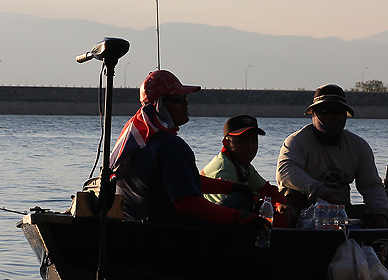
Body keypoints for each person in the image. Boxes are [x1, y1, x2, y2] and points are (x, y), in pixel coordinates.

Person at [109, 69, 269, 234]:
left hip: (135, 226)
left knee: (240, 195)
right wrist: (241, 217)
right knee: (243, 201)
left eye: (185, 98)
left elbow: (182, 179)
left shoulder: (135, 140)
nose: (186, 104)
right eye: (179, 99)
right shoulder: (171, 146)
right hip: (172, 231)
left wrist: (231, 187)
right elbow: (186, 203)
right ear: (160, 106)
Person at [276, 84, 388, 228]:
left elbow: (371, 185)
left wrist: (380, 215)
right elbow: (285, 172)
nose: (329, 116)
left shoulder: (359, 146)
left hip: (342, 212)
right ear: (313, 114)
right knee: (292, 199)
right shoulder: (296, 141)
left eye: (336, 111)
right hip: (304, 211)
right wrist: (319, 192)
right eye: (323, 111)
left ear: (344, 115)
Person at [201, 114, 289, 226]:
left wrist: (280, 204)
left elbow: (268, 190)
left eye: (253, 141)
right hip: (210, 225)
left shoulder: (243, 166)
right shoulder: (223, 168)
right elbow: (227, 215)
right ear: (226, 143)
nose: (250, 147)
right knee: (245, 200)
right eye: (242, 141)